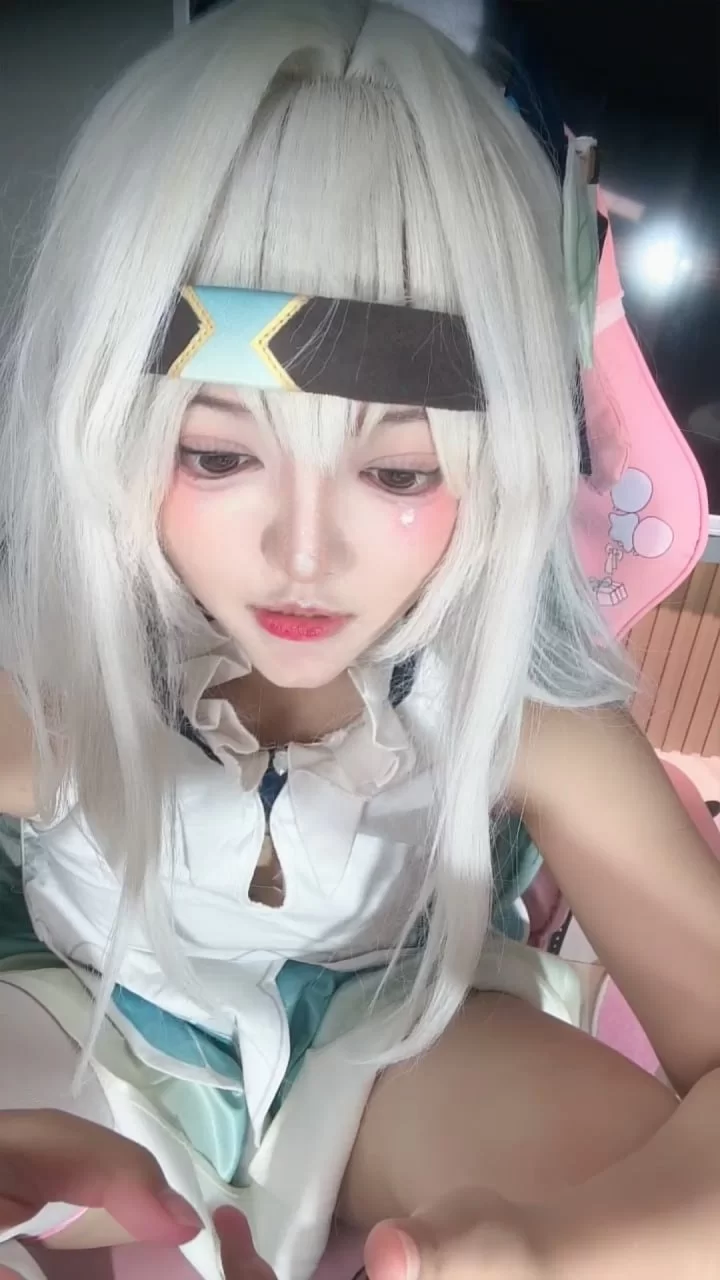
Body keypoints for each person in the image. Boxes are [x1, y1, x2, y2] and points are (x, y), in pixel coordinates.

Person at [0, 2, 719, 1278]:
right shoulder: (42, 666)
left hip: (400, 1044)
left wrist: (557, 1248)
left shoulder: (522, 714)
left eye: (396, 471)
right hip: (76, 1019)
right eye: (217, 455)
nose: (305, 553)